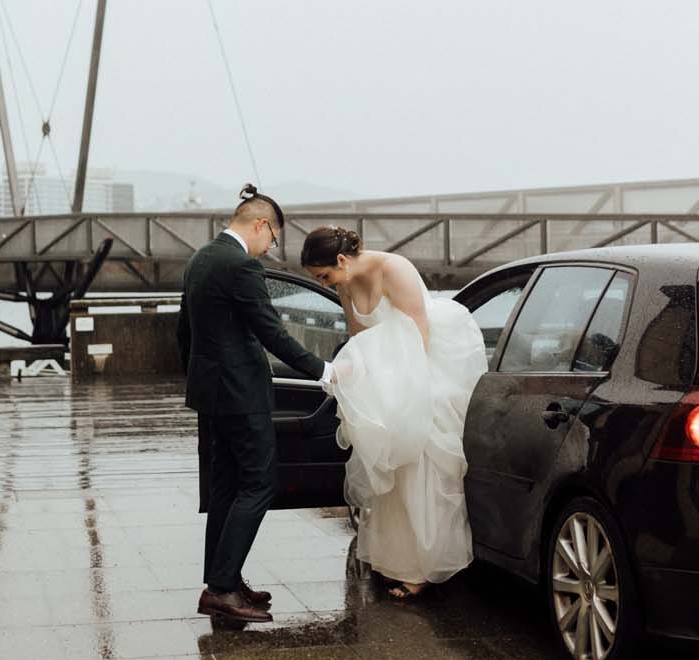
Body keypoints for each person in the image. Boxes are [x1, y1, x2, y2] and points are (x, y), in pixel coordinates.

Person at [301, 225, 486, 600]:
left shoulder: (395, 269)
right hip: (386, 379)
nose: (325, 282)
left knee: (423, 470)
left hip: (422, 374)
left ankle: (425, 568)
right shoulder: (346, 282)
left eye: (324, 275)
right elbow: (359, 340)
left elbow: (420, 336)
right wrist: (352, 379)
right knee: (390, 473)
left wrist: (402, 393)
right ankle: (400, 562)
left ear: (340, 260)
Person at [177, 185, 334, 624]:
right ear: (262, 224)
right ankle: (222, 590)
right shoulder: (242, 265)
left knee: (226, 488)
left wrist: (199, 380)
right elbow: (272, 332)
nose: (271, 248)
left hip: (210, 394)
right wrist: (322, 370)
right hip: (242, 396)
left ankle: (222, 578)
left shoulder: (200, 259)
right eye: (274, 238)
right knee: (258, 485)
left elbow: (183, 333)